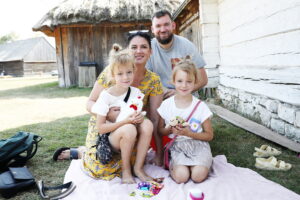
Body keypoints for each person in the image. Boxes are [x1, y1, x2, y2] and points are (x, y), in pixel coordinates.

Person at [54, 32, 164, 175]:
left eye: (143, 47)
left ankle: (134, 167)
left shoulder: (153, 80)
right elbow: (90, 102)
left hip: (132, 127)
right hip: (105, 125)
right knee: (104, 169)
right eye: (134, 47)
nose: (138, 51)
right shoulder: (111, 72)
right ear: (127, 51)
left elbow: (155, 118)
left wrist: (159, 153)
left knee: (131, 158)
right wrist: (107, 114)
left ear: (150, 51)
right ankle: (84, 152)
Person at [87, 45, 153, 184]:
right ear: (112, 75)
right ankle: (126, 170)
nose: (125, 77)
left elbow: (133, 114)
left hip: (130, 136)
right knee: (128, 128)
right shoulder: (106, 96)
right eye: (120, 74)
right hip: (112, 139)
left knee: (147, 124)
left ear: (134, 71)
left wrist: (139, 117)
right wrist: (125, 122)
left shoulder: (135, 93)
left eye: (129, 72)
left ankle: (138, 168)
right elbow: (101, 128)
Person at [157, 57, 214, 184]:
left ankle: (201, 165)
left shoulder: (200, 107)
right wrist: (170, 129)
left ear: (195, 82)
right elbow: (160, 131)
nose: (184, 85)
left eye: (189, 81)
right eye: (180, 81)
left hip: (198, 146)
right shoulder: (166, 105)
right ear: (173, 81)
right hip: (177, 146)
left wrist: (189, 133)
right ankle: (177, 166)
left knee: (197, 176)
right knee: (182, 177)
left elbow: (209, 135)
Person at [147, 10, 208, 99]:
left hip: (185, 96)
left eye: (166, 24)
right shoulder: (147, 49)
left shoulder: (186, 46)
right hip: (160, 96)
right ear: (152, 29)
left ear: (173, 25)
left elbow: (203, 80)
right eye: (158, 26)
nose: (163, 29)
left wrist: (180, 92)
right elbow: (144, 78)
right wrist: (163, 91)